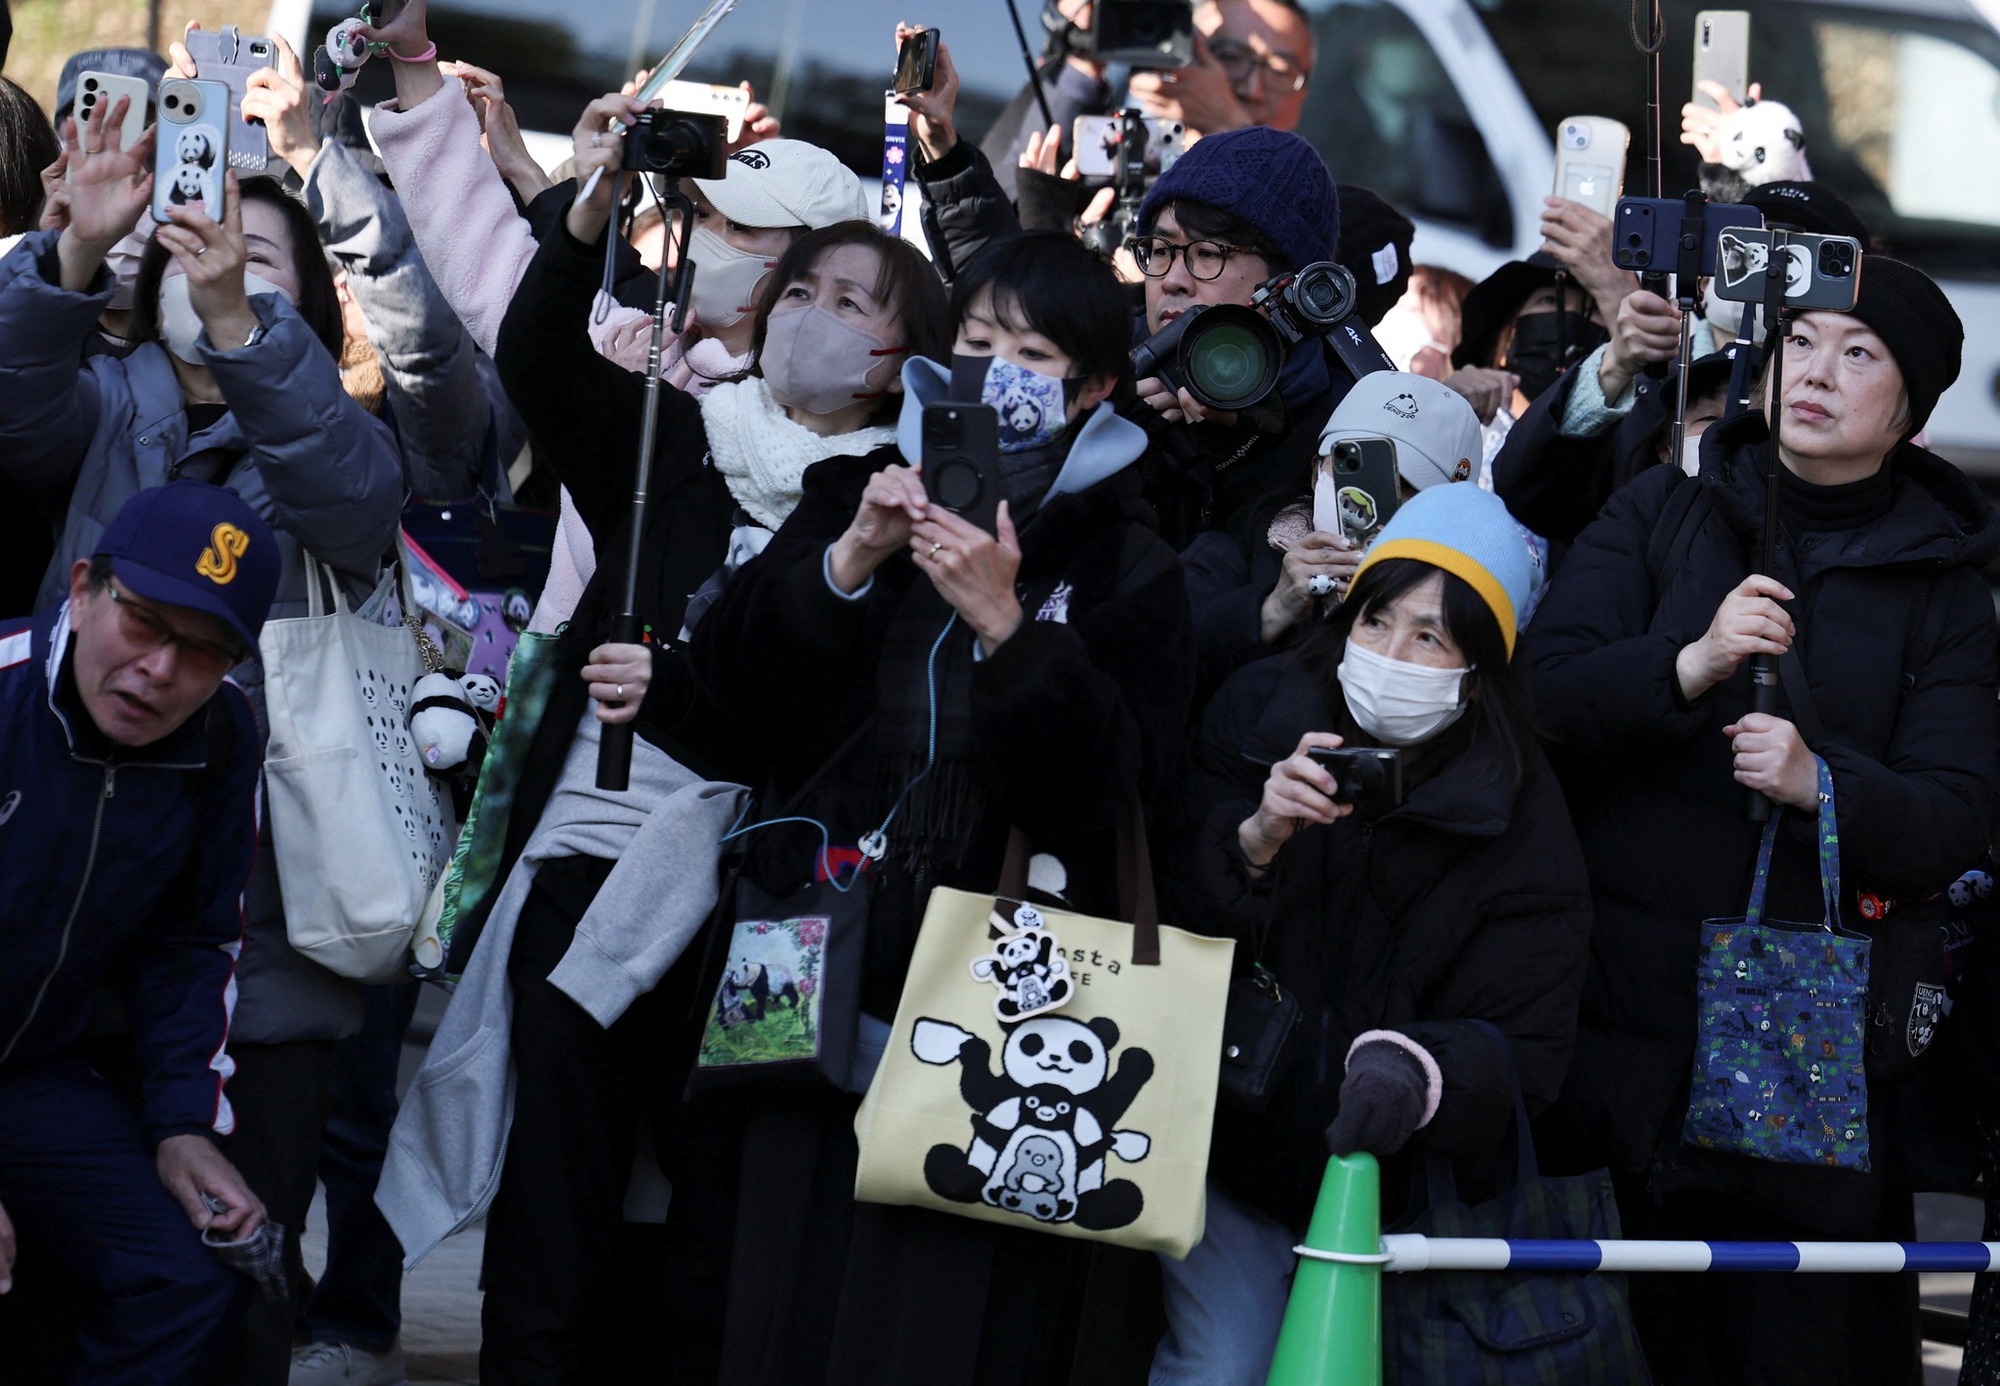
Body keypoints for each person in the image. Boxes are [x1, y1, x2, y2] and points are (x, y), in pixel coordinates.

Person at [375, 77, 950, 1379]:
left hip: (765, 895)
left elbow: (796, 681)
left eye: (853, 302)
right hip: (595, 859)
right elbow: (534, 354)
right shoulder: (676, 436)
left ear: (905, 360)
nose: (807, 310)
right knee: (561, 1169)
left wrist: (802, 594)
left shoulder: (898, 504)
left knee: (712, 1197)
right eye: (797, 287)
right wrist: (588, 203)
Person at [687, 229, 1194, 1383]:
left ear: (1095, 389)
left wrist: (1010, 632)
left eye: (1032, 353)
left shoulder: (1124, 558)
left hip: (1004, 1005)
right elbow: (731, 697)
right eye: (975, 343)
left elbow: (1106, 788)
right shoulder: (850, 493)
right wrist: (846, 563)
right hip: (810, 955)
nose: (997, 371)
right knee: (772, 1297)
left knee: (930, 1327)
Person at [1525, 258, 1998, 1384]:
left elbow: (1954, 819)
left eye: (1857, 353)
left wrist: (1820, 786)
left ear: (1910, 405)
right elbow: (1538, 700)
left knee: (1776, 1349)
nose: (1815, 373)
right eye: (1798, 341)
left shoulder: (1944, 591)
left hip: (1803, 1072)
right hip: (1611, 1037)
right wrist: (1686, 664)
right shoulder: (1662, 507)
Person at [0, 97, 406, 1386]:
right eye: (184, 239)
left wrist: (243, 329)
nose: (207, 252)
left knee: (220, 1286)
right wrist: (67, 258)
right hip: (43, 962)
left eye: (251, 252)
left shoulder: (319, 428)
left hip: (250, 944)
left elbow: (356, 505)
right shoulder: (85, 392)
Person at [1157, 482, 1590, 1384]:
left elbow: (1527, 1046)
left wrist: (1421, 1071)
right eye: (1377, 621)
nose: (1392, 653)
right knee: (1221, 1366)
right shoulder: (1258, 715)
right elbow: (1155, 915)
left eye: (1430, 636)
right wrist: (1254, 842)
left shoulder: (1523, 823)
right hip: (1219, 1155)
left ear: (1483, 666)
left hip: (1397, 1197)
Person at [0, 481, 281, 1384]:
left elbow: (196, 942)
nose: (161, 671)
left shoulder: (223, 737)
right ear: (83, 590)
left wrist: (182, 1126)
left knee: (195, 1271)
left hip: (34, 1075)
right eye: (147, 624)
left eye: (204, 653)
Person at [1177, 368, 1483, 700]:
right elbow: (1158, 676)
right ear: (1314, 474)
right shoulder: (1225, 558)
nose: (1366, 498)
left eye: (1404, 484)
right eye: (1350, 465)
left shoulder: (1466, 614)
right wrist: (1271, 609)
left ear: (1446, 511)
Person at [1125, 125, 1345, 551]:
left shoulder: (1336, 426)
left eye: (1207, 254)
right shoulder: (1102, 364)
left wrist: (1226, 444)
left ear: (1286, 283)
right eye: (1160, 250)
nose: (1172, 280)